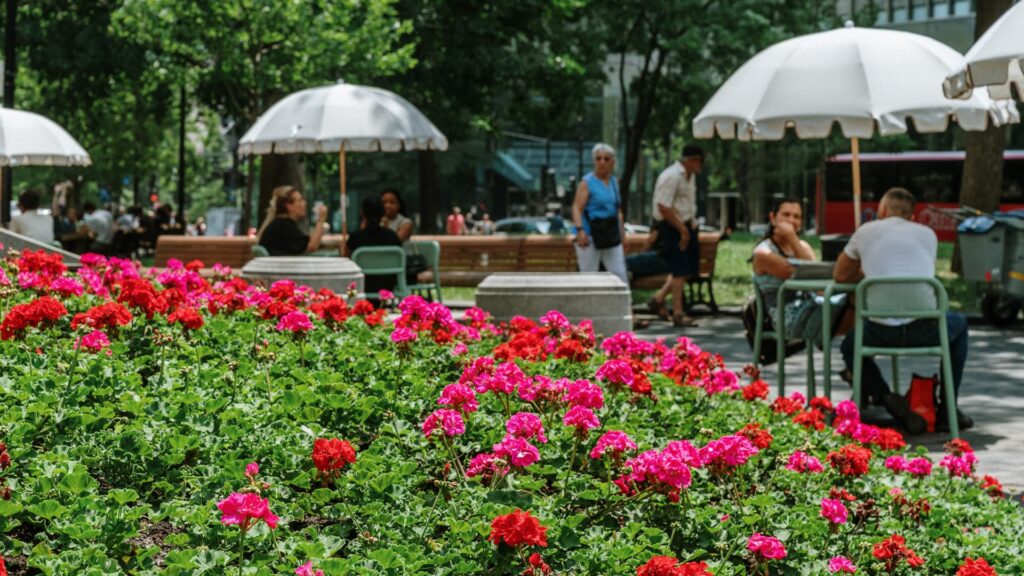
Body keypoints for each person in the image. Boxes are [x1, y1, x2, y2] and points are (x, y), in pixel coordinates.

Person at [834, 187, 972, 433]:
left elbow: (840, 275)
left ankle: (887, 399)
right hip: (927, 330)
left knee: (850, 346)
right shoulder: (928, 234)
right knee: (959, 324)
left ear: (883, 210)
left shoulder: (865, 231)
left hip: (879, 331)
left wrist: (865, 273)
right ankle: (947, 407)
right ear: (912, 215)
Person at [751, 197, 832, 342]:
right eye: (786, 215)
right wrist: (791, 236)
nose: (791, 221)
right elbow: (803, 275)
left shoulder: (802, 247)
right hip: (787, 318)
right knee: (849, 313)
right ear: (773, 218)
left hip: (812, 306)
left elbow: (819, 286)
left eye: (797, 217)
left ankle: (853, 359)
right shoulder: (763, 252)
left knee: (852, 306)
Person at [652, 144, 704, 327]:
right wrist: (682, 230)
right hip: (672, 226)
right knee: (679, 269)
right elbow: (663, 207)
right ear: (691, 160)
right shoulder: (672, 176)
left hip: (686, 224)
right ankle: (678, 313)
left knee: (686, 269)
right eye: (698, 160)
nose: (701, 165)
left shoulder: (690, 177)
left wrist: (691, 225)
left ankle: (658, 298)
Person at [571, 143, 627, 284]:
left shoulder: (614, 182)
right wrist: (580, 230)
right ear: (594, 161)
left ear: (612, 162)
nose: (602, 162)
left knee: (619, 273)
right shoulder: (587, 182)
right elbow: (577, 208)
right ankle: (587, 305)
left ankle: (625, 305)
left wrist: (622, 234)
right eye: (598, 158)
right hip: (590, 234)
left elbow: (618, 210)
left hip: (610, 234)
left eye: (606, 159)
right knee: (589, 275)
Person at [345, 196, 403, 294]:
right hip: (388, 285)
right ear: (383, 212)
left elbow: (346, 259)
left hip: (363, 284)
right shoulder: (392, 237)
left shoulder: (356, 237)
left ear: (362, 213)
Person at [257, 186, 328, 256]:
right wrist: (321, 219)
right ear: (288, 206)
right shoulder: (284, 226)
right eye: (300, 200)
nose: (305, 203)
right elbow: (311, 247)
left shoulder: (279, 224)